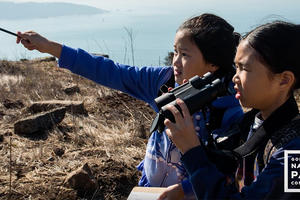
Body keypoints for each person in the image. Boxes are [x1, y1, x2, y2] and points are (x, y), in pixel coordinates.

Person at [17, 13, 243, 199]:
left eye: (184, 54)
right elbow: (110, 71)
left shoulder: (228, 108)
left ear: (212, 63)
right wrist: (49, 47)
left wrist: (182, 192)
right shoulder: (162, 83)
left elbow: (229, 171)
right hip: (147, 192)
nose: (175, 62)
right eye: (175, 51)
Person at [160, 21, 300, 199]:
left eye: (244, 68)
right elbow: (229, 165)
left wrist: (191, 150)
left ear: (284, 80)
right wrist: (186, 190)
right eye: (236, 67)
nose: (235, 77)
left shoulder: (294, 155)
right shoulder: (251, 123)